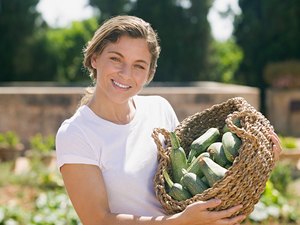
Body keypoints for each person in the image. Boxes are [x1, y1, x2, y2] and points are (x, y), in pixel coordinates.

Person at [56, 15, 282, 225]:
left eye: (139, 66)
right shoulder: (77, 134)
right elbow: (98, 220)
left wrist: (258, 159)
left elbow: (187, 180)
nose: (126, 73)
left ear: (149, 74)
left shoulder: (159, 108)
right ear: (95, 58)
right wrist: (179, 222)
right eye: (116, 59)